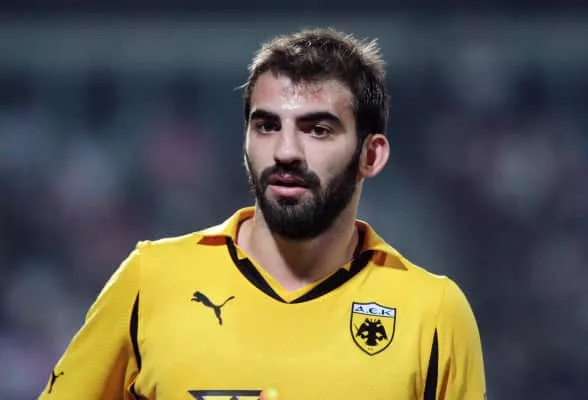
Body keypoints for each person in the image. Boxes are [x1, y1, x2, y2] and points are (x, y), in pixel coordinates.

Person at [39, 28, 486, 400]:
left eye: (318, 129)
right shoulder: (150, 280)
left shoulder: (433, 313)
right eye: (267, 125)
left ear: (371, 155)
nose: (286, 151)